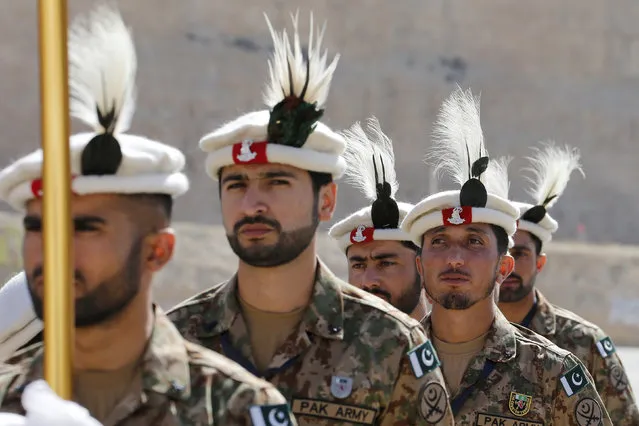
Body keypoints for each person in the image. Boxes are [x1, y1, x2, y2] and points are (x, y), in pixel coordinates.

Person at [0, 6, 295, 425]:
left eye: (85, 229)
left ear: (157, 250)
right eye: (37, 228)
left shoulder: (237, 410)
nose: (53, 251)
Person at [167, 13, 454, 426]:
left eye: (276, 182)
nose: (253, 204)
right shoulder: (175, 339)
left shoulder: (391, 345)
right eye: (236, 185)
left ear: (327, 200)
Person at [400, 87, 613, 424]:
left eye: (473, 242)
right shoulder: (385, 362)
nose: (455, 258)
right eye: (439, 242)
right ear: (418, 264)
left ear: (504, 266)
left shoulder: (552, 375)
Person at [498, 141, 639, 424]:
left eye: (521, 253)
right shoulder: (458, 336)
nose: (510, 264)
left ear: (540, 262)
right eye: (502, 254)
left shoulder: (585, 343)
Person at [328, 117, 429, 321]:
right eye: (358, 265)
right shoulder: (328, 351)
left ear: (424, 269)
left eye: (386, 264)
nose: (369, 281)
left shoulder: (452, 350)